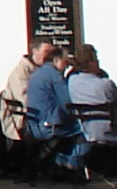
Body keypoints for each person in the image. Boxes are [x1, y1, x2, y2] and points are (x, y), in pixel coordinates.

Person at [63, 43, 117, 181]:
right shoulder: (105, 83)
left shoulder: (72, 81)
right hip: (109, 130)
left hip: (85, 129)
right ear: (92, 63)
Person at [21, 44, 82, 179]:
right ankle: (67, 164)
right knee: (84, 130)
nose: (66, 66)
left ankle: (57, 164)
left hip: (33, 125)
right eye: (65, 62)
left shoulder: (37, 73)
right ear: (56, 60)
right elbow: (67, 102)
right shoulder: (55, 76)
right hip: (49, 127)